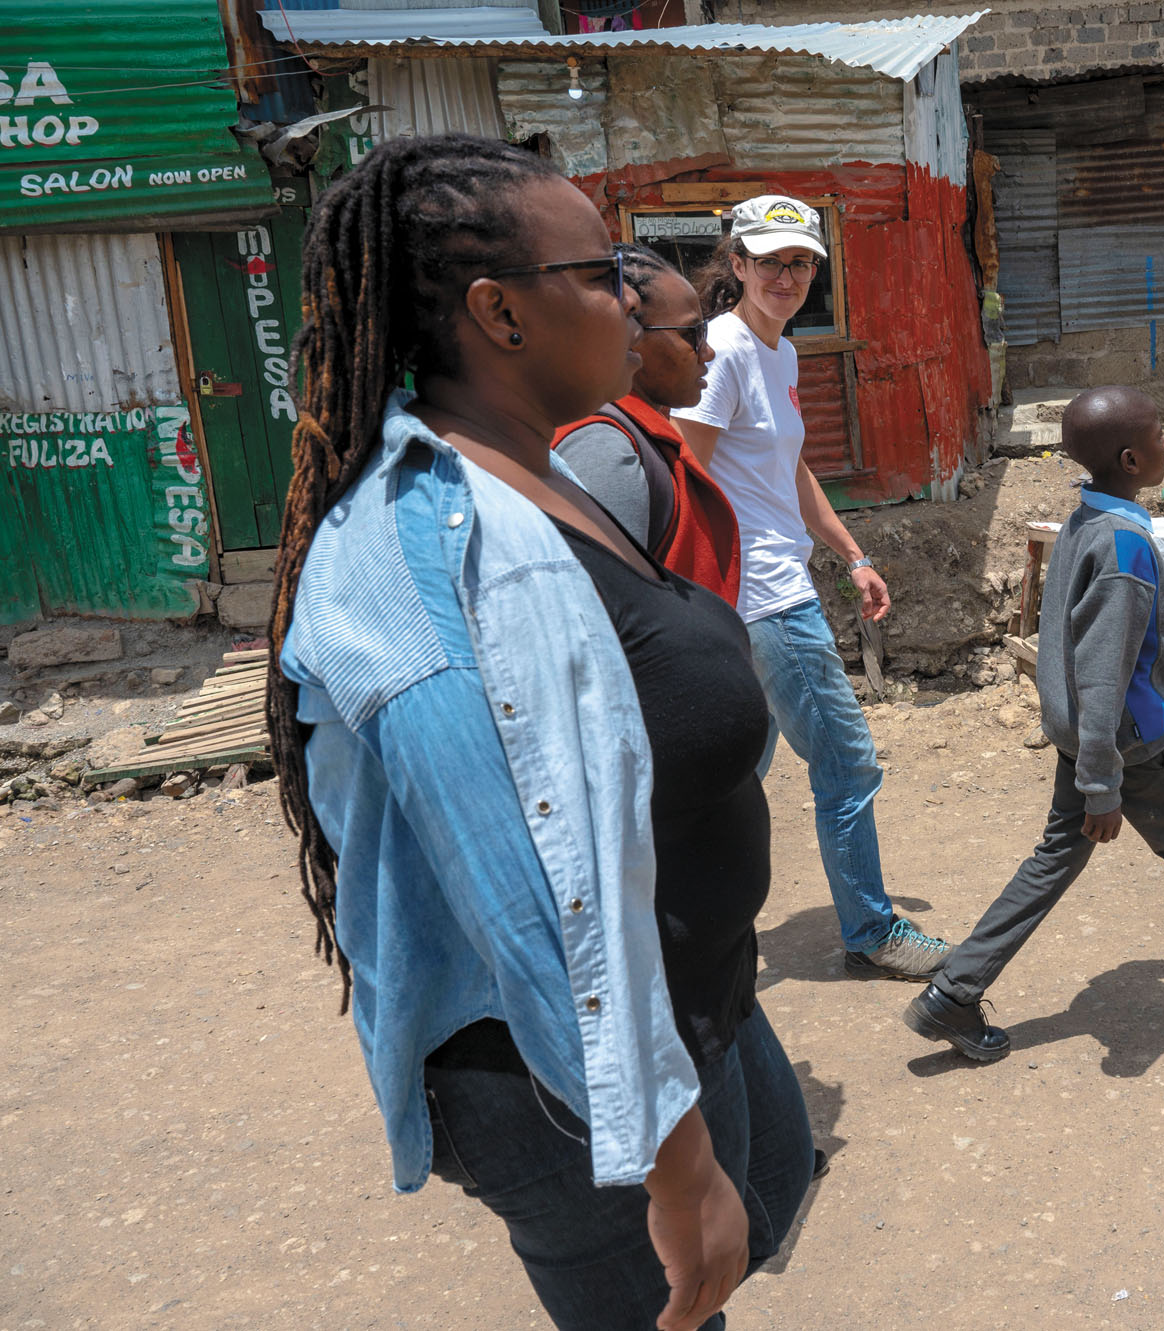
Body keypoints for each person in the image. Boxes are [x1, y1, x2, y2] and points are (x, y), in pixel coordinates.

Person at [266, 133, 812, 1331]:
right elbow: (527, 897)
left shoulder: (542, 471)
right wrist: (673, 1158)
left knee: (771, 1198)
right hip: (560, 1079)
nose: (636, 298)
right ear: (499, 313)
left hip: (680, 1000)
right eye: (602, 272)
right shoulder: (414, 552)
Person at [902, 387, 1164, 1062]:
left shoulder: (1085, 520)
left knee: (1054, 859)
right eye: (1160, 435)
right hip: (1124, 746)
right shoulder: (1125, 547)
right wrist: (1102, 785)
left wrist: (1142, 723)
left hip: (1092, 738)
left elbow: (1101, 655)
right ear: (1132, 459)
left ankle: (952, 991)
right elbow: (1101, 672)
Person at [674, 194, 951, 982]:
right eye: (770, 261)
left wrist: (853, 553)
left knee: (736, 776)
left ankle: (686, 929)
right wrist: (699, 601)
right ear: (738, 264)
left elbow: (788, 466)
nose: (786, 276)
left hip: (767, 586)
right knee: (848, 764)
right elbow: (684, 474)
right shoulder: (723, 351)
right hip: (760, 597)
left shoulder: (780, 353)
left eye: (800, 263)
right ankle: (871, 930)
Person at [554, 244, 739, 601]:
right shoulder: (604, 448)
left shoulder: (640, 431)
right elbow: (614, 611)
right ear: (627, 334)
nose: (708, 351)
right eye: (692, 334)